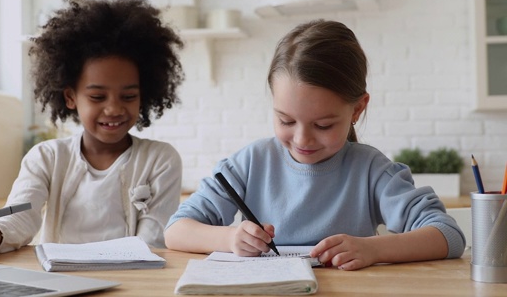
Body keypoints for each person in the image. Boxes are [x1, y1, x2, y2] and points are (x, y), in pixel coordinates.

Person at [164, 19, 465, 271]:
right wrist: (229, 239)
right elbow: (176, 231)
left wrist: (373, 249)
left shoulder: (371, 170)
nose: (301, 139)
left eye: (323, 125)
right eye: (286, 120)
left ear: (357, 110)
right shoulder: (250, 163)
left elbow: (448, 235)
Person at [0, 0, 185, 259]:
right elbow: (20, 216)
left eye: (128, 96)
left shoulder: (161, 160)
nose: (114, 109)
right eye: (97, 97)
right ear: (71, 97)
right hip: (62, 280)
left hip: (132, 282)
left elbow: (151, 242)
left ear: (145, 95)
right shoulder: (47, 158)